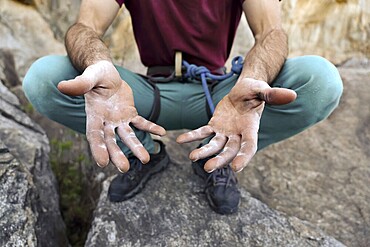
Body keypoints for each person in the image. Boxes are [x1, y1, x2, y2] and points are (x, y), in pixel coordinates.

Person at [22, 0, 343, 215]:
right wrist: (97, 63)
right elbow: (84, 27)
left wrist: (255, 77)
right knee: (44, 79)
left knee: (321, 80)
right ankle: (144, 154)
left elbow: (271, 32)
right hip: (148, 93)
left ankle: (217, 155)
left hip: (220, 96)